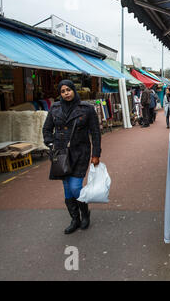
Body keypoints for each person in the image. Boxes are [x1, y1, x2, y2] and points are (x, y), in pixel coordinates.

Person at [42, 80, 101, 234]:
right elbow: (47, 129)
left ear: (74, 90)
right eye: (62, 91)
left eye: (68, 90)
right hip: (61, 155)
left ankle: (85, 213)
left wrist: (96, 154)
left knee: (75, 186)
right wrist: (50, 145)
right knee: (67, 189)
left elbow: (95, 133)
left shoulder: (86, 109)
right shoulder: (55, 108)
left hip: (80, 152)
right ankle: (75, 219)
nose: (66, 93)